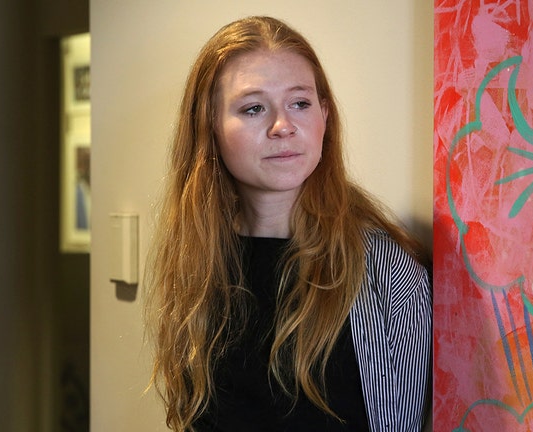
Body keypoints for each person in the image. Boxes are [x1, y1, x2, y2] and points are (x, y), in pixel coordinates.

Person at [146, 15, 432, 432]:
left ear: (325, 116)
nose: (283, 126)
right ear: (209, 125)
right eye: (254, 108)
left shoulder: (387, 274)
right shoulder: (198, 257)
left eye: (300, 103)